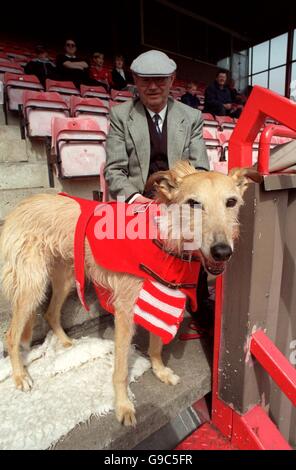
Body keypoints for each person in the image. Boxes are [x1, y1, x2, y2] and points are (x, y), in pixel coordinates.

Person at [104, 49, 212, 329]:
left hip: (177, 197)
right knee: (122, 231)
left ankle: (197, 302)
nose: (152, 87)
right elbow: (114, 170)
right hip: (137, 197)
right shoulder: (120, 115)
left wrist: (180, 202)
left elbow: (200, 170)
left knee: (195, 225)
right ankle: (138, 303)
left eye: (160, 80)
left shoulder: (191, 117)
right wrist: (137, 199)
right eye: (144, 80)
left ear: (172, 79)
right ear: (135, 81)